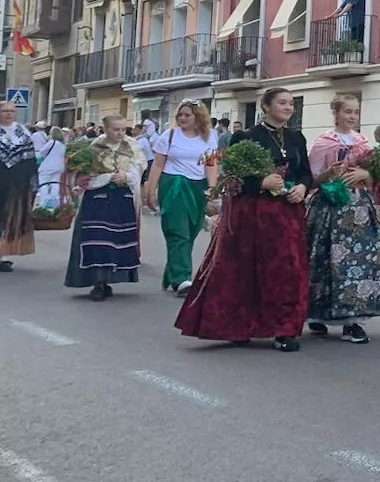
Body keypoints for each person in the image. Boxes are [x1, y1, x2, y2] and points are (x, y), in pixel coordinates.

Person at [174, 88, 313, 352]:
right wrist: (260, 182)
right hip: (253, 213)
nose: (288, 107)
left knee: (285, 270)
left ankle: (283, 329)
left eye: (291, 104)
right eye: (282, 103)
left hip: (286, 214)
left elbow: (305, 172)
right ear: (266, 106)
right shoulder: (246, 136)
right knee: (245, 270)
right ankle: (240, 325)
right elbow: (232, 176)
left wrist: (303, 188)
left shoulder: (297, 138)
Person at [305, 94, 380, 344]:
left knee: (358, 261)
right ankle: (317, 314)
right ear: (336, 113)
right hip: (329, 207)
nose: (352, 116)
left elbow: (375, 178)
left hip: (358, 209)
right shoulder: (323, 142)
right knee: (325, 259)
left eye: (355, 112)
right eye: (347, 111)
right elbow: (312, 177)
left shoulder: (363, 142)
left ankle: (353, 320)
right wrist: (328, 174)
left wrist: (365, 173)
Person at [64, 115, 144, 301]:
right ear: (105, 129)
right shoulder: (94, 149)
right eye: (116, 129)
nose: (120, 133)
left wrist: (126, 176)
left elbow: (136, 173)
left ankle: (108, 279)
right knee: (97, 239)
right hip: (97, 199)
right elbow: (84, 175)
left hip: (121, 199)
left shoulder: (130, 148)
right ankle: (98, 283)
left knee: (115, 241)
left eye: (123, 130)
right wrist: (94, 181)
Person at [146, 100, 219, 294]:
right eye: (180, 115)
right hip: (174, 185)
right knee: (178, 231)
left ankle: (172, 274)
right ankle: (182, 279)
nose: (182, 118)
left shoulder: (210, 136)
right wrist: (150, 189)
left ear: (198, 116)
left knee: (192, 230)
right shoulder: (169, 136)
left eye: (187, 115)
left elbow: (211, 164)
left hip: (198, 186)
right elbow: (158, 164)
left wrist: (212, 187)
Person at [0, 101, 38, 272]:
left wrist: (32, 182)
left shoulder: (22, 132)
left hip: (16, 184)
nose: (9, 114)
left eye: (12, 111)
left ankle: (3, 257)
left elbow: (30, 158)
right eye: (5, 111)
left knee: (10, 220)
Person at [35, 126, 67, 210]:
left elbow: (42, 152)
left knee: (43, 183)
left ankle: (44, 202)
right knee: (55, 184)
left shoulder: (51, 142)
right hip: (59, 167)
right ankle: (53, 202)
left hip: (48, 166)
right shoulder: (63, 145)